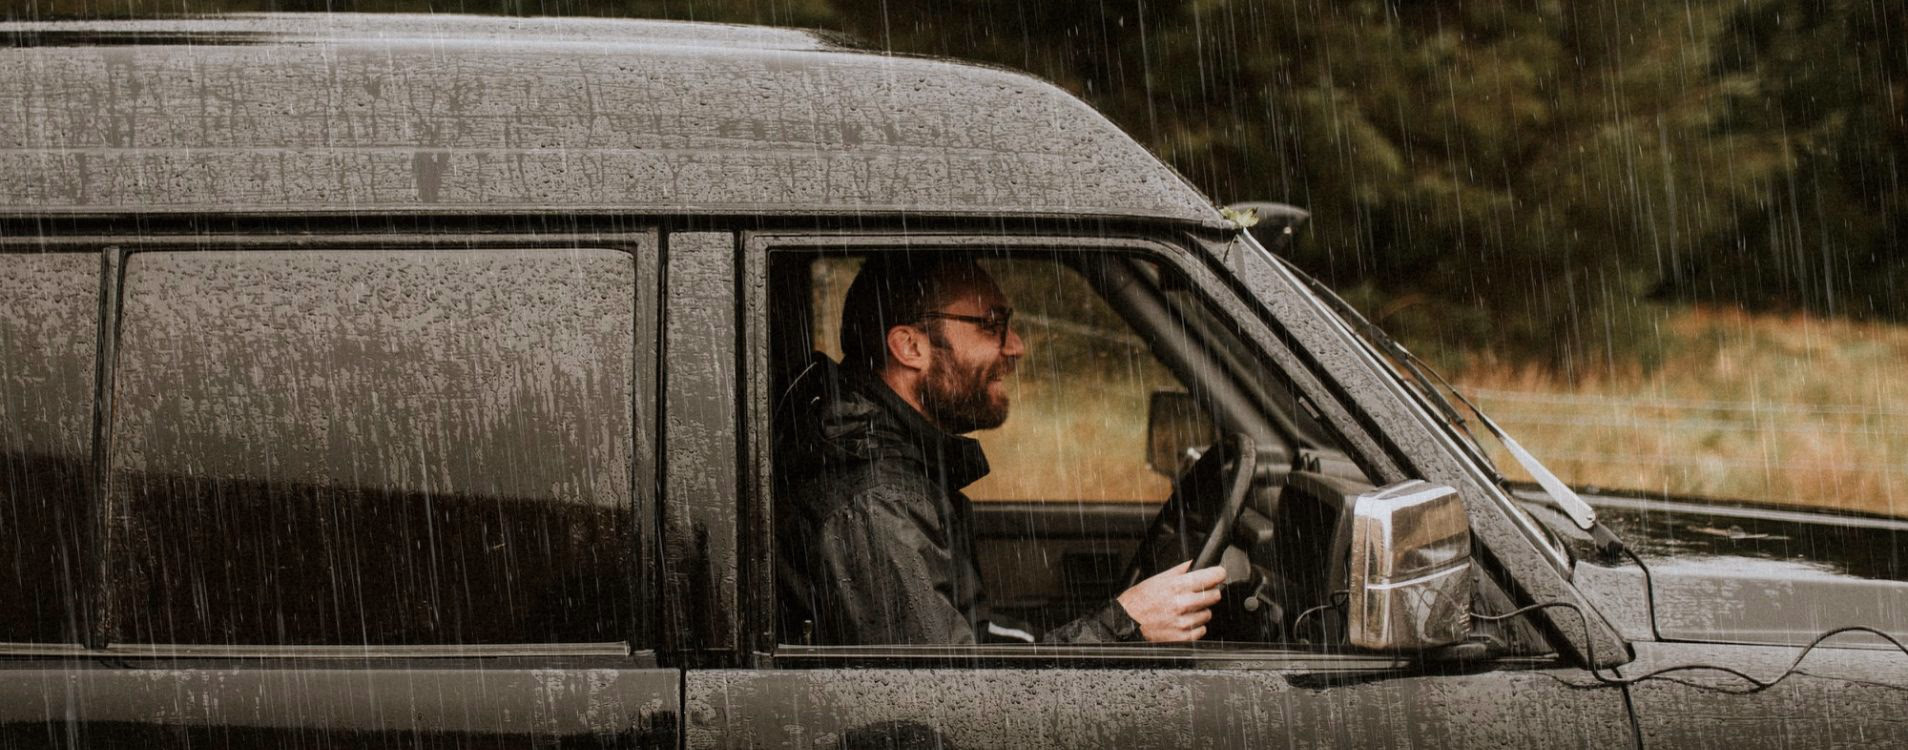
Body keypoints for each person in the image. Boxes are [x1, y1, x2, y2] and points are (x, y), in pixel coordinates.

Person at [774, 255, 1226, 645]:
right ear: (910, 346)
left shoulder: (897, 471)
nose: (1016, 346)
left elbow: (968, 647)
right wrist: (1124, 625)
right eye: (992, 325)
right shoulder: (875, 503)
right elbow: (955, 706)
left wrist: (1114, 620)